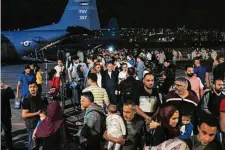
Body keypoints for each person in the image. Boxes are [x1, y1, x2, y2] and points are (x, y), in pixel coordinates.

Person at [22, 82, 44, 150]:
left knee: (39, 144)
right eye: (30, 87)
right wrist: (37, 113)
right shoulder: (26, 100)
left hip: (41, 124)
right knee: (33, 146)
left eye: (34, 87)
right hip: (32, 125)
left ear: (37, 88)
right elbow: (24, 115)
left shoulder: (40, 98)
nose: (32, 89)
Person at [1, 81, 15, 150]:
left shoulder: (4, 91)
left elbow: (12, 96)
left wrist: (8, 88)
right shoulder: (4, 91)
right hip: (5, 115)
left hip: (5, 115)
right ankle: (8, 146)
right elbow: (12, 96)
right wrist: (8, 88)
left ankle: (8, 146)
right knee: (7, 132)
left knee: (7, 132)